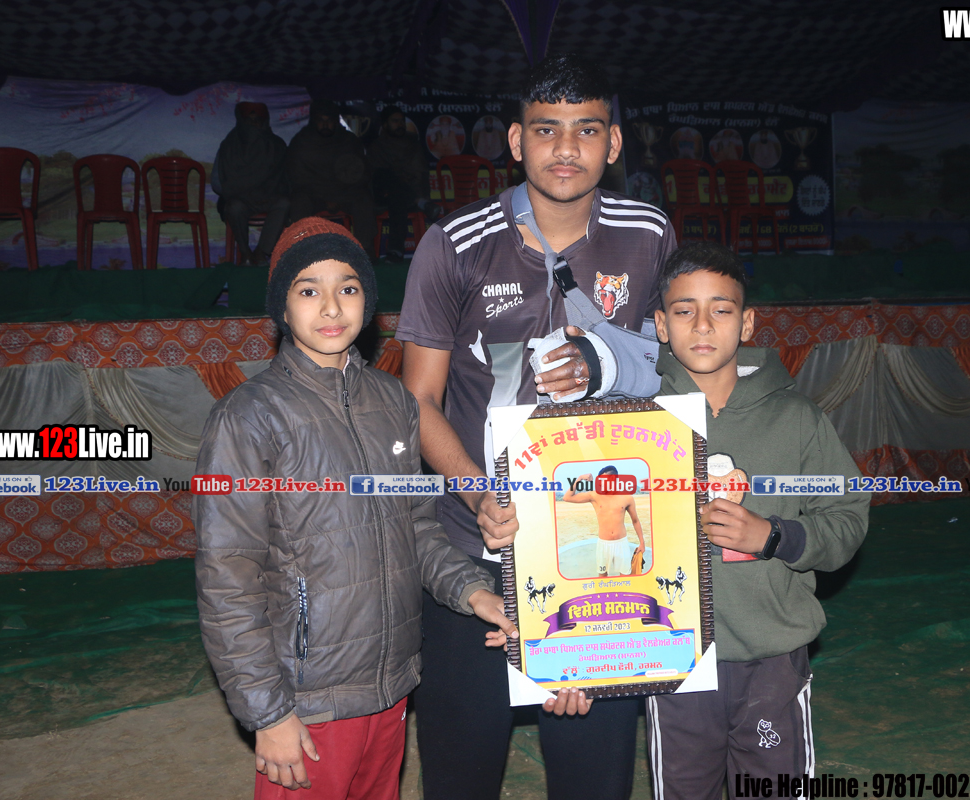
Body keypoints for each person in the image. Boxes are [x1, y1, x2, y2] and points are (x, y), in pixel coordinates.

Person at [397, 54, 678, 800]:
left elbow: (678, 367)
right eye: (546, 130)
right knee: (461, 774)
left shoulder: (648, 235)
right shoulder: (455, 244)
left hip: (603, 557)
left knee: (593, 778)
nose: (566, 148)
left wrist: (605, 364)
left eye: (587, 130)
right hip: (479, 551)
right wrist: (475, 494)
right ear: (516, 141)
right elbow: (418, 399)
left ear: (614, 144)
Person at [193, 216, 517, 800]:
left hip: (390, 685)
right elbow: (227, 577)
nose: (331, 307)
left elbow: (417, 529)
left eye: (347, 287)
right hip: (307, 697)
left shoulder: (394, 403)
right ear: (282, 307)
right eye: (308, 290)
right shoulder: (249, 417)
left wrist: (473, 592)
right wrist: (267, 712)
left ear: (367, 301)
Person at [647, 242, 870, 794]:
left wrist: (774, 536)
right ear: (660, 325)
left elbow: (846, 517)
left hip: (772, 656)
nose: (703, 325)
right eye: (684, 310)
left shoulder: (796, 418)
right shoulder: (635, 420)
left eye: (721, 309)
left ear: (747, 323)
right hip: (674, 658)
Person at [286, 100, 377, 258]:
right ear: (313, 121)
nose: (325, 124)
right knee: (299, 202)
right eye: (321, 120)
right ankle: (302, 253)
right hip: (313, 194)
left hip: (344, 193)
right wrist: (325, 198)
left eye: (329, 120)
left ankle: (364, 251)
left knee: (363, 199)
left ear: (336, 121)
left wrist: (339, 195)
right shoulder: (302, 142)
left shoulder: (349, 141)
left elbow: (360, 174)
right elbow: (297, 177)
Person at [211, 102, 290, 267]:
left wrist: (268, 193)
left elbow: (286, 179)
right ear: (242, 122)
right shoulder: (229, 146)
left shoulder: (277, 145)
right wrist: (241, 193)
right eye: (249, 121)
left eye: (257, 120)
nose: (254, 125)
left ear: (264, 121)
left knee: (284, 203)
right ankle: (245, 253)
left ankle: (262, 252)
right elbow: (217, 182)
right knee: (234, 207)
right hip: (241, 199)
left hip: (268, 197)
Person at [368, 107, 431, 261]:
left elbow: (419, 172)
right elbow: (374, 175)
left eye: (402, 121)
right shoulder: (377, 146)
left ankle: (395, 251)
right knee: (385, 177)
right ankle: (419, 202)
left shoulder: (413, 145)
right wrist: (399, 176)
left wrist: (403, 179)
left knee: (397, 195)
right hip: (383, 194)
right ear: (385, 125)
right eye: (395, 121)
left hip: (410, 191)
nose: (400, 124)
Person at [560, 465, 646, 577]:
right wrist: (580, 478)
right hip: (603, 544)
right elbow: (567, 497)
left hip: (621, 543)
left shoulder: (627, 497)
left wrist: (642, 543)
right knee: (602, 577)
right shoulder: (594, 495)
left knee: (625, 577)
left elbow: (635, 521)